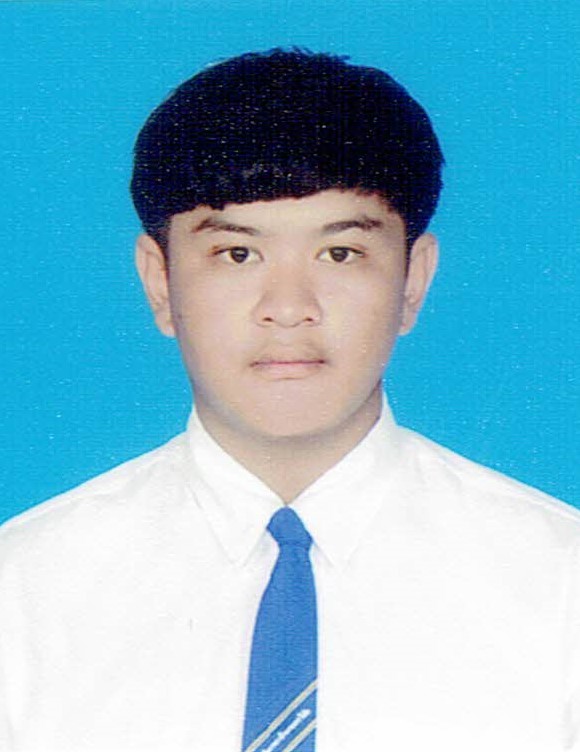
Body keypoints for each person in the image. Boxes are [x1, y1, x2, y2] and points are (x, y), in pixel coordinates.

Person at [0, 48, 578, 752]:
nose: (288, 307)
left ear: (413, 281)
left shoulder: (560, 587)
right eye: (237, 254)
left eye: (340, 254)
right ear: (159, 282)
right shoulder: (22, 593)